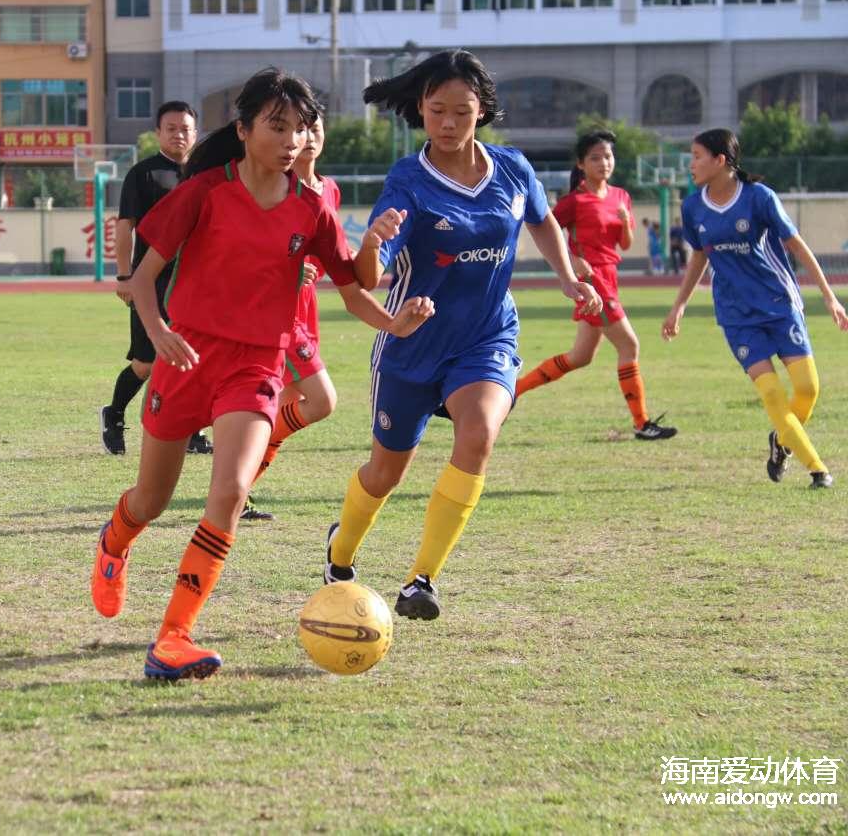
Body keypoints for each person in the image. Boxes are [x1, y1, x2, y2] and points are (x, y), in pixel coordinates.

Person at [89, 67, 433, 681]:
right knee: (151, 499)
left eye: (301, 128)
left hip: (255, 366)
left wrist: (394, 323)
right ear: (244, 130)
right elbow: (141, 279)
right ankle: (114, 544)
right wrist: (160, 330)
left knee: (228, 493)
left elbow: (353, 292)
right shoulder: (203, 194)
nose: (293, 139)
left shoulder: (312, 210)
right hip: (185, 360)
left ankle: (174, 635)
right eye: (278, 126)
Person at [322, 49, 601, 623]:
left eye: (462, 111)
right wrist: (372, 243)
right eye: (436, 111)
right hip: (412, 344)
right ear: (421, 112)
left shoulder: (514, 169)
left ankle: (420, 579)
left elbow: (542, 222)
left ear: (483, 111)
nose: (448, 123)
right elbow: (369, 276)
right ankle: (340, 552)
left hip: (486, 338)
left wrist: (570, 279)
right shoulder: (407, 179)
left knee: (478, 434)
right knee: (385, 473)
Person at [663, 128, 847, 489]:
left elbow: (797, 247)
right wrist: (679, 306)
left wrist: (829, 296)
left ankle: (781, 441)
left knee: (808, 389)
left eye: (697, 156)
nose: (691, 165)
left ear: (720, 161)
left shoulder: (759, 198)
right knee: (773, 394)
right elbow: (699, 256)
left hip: (780, 305)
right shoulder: (693, 207)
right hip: (737, 316)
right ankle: (817, 468)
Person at [516, 130, 677, 440]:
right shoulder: (574, 201)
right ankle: (642, 424)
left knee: (581, 357)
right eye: (595, 157)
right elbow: (543, 228)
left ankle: (514, 390)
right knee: (629, 345)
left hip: (611, 277)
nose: (604, 162)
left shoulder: (621, 197)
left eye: (608, 156)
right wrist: (573, 263)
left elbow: (625, 244)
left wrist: (626, 222)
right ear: (581, 163)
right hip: (593, 283)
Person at [101, 101, 213, 457]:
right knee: (147, 363)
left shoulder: (207, 174)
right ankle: (114, 415)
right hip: (152, 282)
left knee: (194, 356)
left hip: (197, 281)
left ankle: (193, 431)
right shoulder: (144, 174)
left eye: (185, 128)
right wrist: (123, 275)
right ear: (158, 133)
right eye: (171, 128)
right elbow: (124, 227)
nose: (179, 134)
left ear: (196, 134)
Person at [243, 113, 341, 521]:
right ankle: (234, 480)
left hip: (308, 309)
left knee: (285, 402)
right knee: (318, 401)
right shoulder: (276, 188)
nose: (310, 138)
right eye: (302, 130)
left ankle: (239, 488)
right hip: (279, 312)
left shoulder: (329, 189)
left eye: (316, 129)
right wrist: (287, 267)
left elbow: (332, 253)